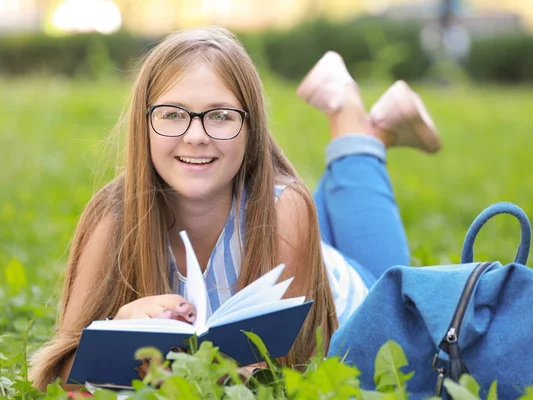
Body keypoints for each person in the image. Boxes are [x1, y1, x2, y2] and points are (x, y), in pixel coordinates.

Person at [29, 26, 440, 391]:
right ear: (144, 122)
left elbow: (292, 368)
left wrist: (201, 373)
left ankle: (348, 114)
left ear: (251, 127)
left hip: (349, 291)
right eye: (172, 115)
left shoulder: (285, 210)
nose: (195, 136)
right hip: (293, 244)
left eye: (221, 116)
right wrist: (119, 334)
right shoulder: (113, 218)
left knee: (402, 296)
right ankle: (382, 128)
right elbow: (63, 371)